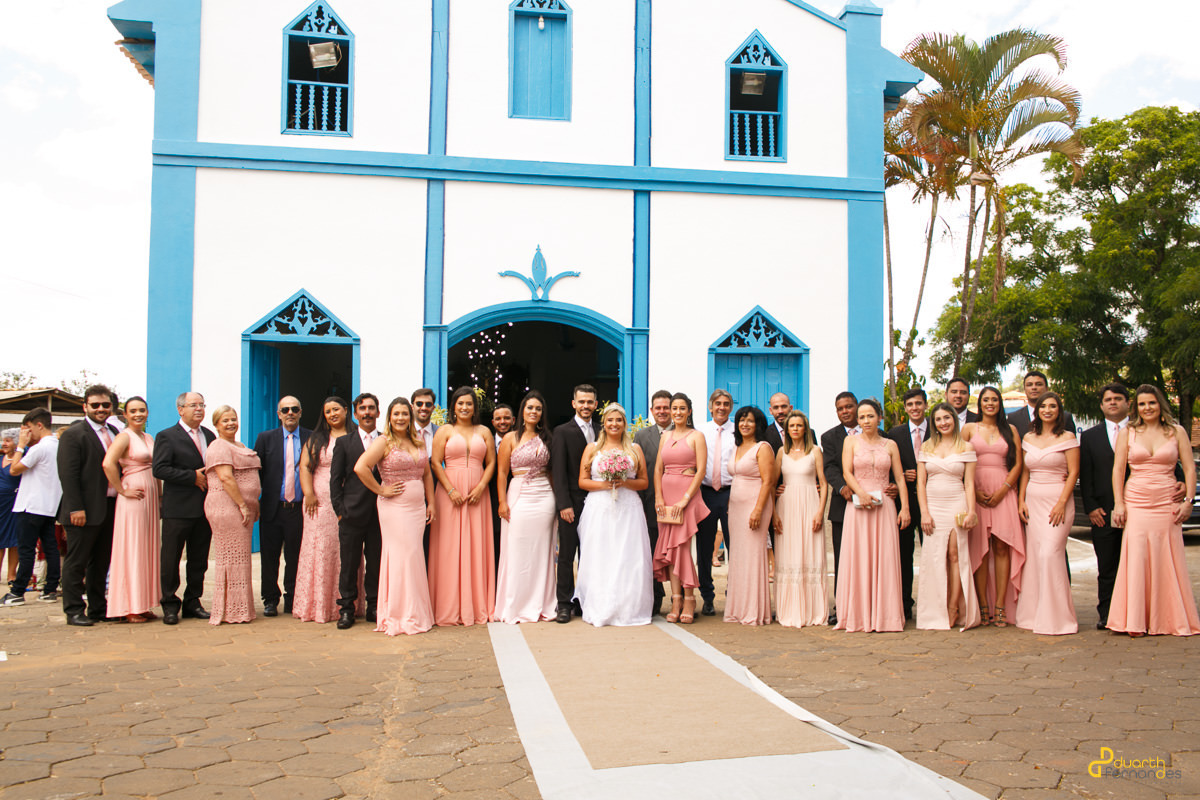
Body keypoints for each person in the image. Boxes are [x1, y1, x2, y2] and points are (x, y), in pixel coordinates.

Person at [1107, 385, 1200, 637]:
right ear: (1136, 408)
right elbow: (1118, 470)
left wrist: (1188, 501)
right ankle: (1135, 619)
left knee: (1166, 556)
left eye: (1152, 403)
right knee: (1136, 557)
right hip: (1136, 500)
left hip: (1167, 501)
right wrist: (1119, 503)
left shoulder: (1176, 431)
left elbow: (1190, 469)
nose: (1147, 408)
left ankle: (1169, 618)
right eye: (1142, 404)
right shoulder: (1128, 432)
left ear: (1161, 405)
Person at [355, 397, 435, 635]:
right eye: (396, 414)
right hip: (394, 508)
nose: (401, 418)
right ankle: (399, 614)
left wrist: (431, 503)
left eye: (405, 414)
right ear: (389, 417)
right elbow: (360, 467)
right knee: (401, 557)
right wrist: (381, 489)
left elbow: (427, 474)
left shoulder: (418, 441)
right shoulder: (383, 442)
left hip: (417, 509)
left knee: (414, 556)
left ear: (410, 417)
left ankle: (417, 612)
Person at [835, 398, 910, 633]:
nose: (866, 420)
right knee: (858, 556)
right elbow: (847, 471)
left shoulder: (890, 445)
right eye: (862, 417)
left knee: (884, 557)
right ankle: (857, 615)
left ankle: (885, 616)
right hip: (859, 506)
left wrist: (905, 508)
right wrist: (861, 493)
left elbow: (899, 478)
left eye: (870, 416)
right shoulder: (851, 442)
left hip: (885, 506)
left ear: (880, 418)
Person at [575, 403, 652, 626]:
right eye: (610, 420)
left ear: (624, 424)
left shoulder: (634, 449)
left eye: (618, 420)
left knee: (627, 556)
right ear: (604, 424)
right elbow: (583, 481)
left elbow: (644, 481)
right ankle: (600, 605)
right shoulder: (592, 449)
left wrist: (625, 481)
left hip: (628, 508)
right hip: (599, 508)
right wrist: (606, 485)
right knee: (601, 554)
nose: (614, 424)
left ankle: (628, 607)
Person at [430, 386, 496, 626]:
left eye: (469, 404)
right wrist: (450, 490)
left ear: (474, 407)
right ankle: (448, 606)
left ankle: (477, 604)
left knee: (476, 544)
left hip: (478, 494)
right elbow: (436, 463)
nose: (465, 408)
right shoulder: (445, 431)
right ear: (453, 407)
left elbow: (491, 463)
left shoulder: (485, 431)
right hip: (450, 493)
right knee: (448, 546)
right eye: (460, 404)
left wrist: (480, 487)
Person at [1015, 392, 1079, 635]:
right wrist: (1021, 500)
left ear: (1059, 411)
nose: (1048, 410)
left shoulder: (1068, 437)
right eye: (1044, 406)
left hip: (1057, 501)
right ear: (1038, 411)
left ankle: (1058, 618)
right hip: (1033, 501)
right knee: (1035, 557)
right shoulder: (1028, 437)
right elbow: (1024, 472)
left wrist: (1062, 502)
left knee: (1051, 554)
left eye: (1053, 406)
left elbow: (1073, 472)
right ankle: (1033, 615)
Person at [58, 384, 121, 625]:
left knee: (101, 561)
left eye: (105, 405)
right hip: (82, 510)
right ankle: (74, 610)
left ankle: (98, 608)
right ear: (85, 407)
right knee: (77, 561)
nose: (101, 409)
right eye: (95, 405)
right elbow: (68, 475)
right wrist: (76, 508)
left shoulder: (114, 431)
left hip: (109, 506)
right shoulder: (74, 434)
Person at [963, 386, 1025, 627]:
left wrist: (1005, 489)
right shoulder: (969, 429)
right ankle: (982, 604)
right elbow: (960, 458)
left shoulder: (1010, 430)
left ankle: (1000, 605)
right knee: (980, 548)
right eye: (986, 400)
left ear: (1000, 403)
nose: (990, 403)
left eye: (994, 400)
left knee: (1001, 547)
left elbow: (1019, 463)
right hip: (975, 489)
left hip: (1004, 489)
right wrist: (973, 492)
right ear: (980, 404)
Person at [494, 390, 557, 624]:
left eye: (538, 409)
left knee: (542, 552)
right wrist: (502, 501)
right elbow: (501, 473)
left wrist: (558, 502)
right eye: (530, 407)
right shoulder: (510, 438)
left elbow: (551, 472)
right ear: (522, 411)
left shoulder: (548, 438)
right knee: (517, 550)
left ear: (542, 414)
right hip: (518, 494)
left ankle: (540, 602)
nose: (533, 412)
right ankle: (516, 603)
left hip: (544, 496)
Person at [153, 391, 216, 625]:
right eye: (193, 405)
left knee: (199, 559)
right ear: (181, 409)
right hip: (178, 509)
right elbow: (159, 469)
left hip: (204, 508)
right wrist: (192, 477)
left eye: (202, 405)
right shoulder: (167, 436)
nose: (199, 409)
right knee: (171, 559)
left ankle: (193, 602)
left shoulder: (209, 435)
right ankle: (170, 604)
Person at [915, 403, 980, 631]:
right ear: (933, 423)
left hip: (956, 504)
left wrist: (971, 511)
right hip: (933, 506)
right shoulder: (926, 446)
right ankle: (935, 609)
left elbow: (970, 483)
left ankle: (954, 607)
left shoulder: (966, 447)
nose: (943, 422)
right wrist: (924, 512)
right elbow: (920, 483)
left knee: (955, 555)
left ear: (954, 419)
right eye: (938, 419)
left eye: (947, 418)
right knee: (934, 557)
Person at [101, 396, 161, 623]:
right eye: (133, 411)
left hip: (150, 499)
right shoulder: (123, 436)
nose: (138, 414)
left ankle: (142, 602)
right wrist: (121, 490)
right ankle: (128, 606)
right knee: (132, 549)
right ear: (124, 414)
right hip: (132, 498)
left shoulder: (147, 437)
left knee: (146, 549)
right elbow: (108, 463)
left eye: (142, 410)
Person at [293, 396, 352, 623]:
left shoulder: (353, 436)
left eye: (336, 409)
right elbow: (305, 467)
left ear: (346, 411)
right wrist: (308, 494)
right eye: (328, 411)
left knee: (343, 550)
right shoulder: (316, 438)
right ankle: (317, 606)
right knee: (320, 550)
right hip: (319, 503)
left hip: (347, 501)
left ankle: (344, 604)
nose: (332, 414)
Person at [651, 392, 708, 624]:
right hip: (666, 498)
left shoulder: (697, 436)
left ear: (689, 411)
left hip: (687, 497)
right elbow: (657, 469)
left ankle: (689, 598)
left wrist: (685, 499)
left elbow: (701, 470)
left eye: (682, 408)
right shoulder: (665, 435)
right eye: (674, 408)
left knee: (684, 549)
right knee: (671, 551)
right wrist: (658, 498)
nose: (677, 412)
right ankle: (675, 600)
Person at [1078, 383, 1131, 631]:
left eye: (1118, 398)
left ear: (1127, 403)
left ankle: (1136, 611)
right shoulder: (1090, 437)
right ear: (1101, 405)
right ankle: (1107, 613)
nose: (1113, 402)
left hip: (1139, 509)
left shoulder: (1141, 431)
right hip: (1103, 513)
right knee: (1107, 566)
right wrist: (1091, 508)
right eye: (1108, 399)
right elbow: (1085, 476)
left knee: (1136, 565)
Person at [203, 405, 261, 625]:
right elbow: (226, 478)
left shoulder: (239, 445)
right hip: (227, 507)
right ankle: (229, 609)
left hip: (241, 507)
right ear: (216, 425)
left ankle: (240, 607)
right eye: (225, 420)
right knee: (230, 558)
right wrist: (242, 505)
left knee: (241, 558)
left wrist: (253, 503)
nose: (230, 423)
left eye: (233, 419)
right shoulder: (218, 446)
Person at [253, 396, 311, 617]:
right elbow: (257, 473)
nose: (290, 413)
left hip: (298, 508)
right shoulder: (265, 439)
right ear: (279, 414)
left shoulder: (311, 438)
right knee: (269, 557)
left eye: (294, 409)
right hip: (272, 508)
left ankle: (292, 598)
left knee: (296, 556)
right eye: (285, 409)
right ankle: (270, 599)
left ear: (300, 412)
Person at [772, 410, 829, 628]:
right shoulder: (781, 452)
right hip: (786, 507)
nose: (795, 429)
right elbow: (772, 483)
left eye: (799, 425)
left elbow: (823, 483)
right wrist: (774, 512)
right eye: (791, 426)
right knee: (789, 555)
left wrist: (820, 512)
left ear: (805, 428)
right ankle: (789, 609)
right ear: (786, 430)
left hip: (810, 505)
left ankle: (813, 611)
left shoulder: (815, 451)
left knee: (810, 554)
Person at [330, 392, 382, 630]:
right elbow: (335, 480)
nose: (367, 412)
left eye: (371, 408)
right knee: (349, 564)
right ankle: (347, 610)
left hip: (380, 515)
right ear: (356, 414)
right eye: (363, 409)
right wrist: (340, 511)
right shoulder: (344, 443)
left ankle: (373, 606)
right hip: (351, 514)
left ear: (378, 413)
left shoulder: (386, 440)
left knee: (376, 563)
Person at [1, 409, 62, 609]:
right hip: (49, 505)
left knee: (27, 550)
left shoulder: (38, 448)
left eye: (28, 429)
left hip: (30, 505)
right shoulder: (58, 446)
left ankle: (17, 592)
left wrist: (20, 446)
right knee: (50, 547)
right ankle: (50, 590)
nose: (27, 434)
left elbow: (14, 469)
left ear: (39, 425)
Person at [550, 384, 600, 623]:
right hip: (572, 503)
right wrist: (563, 504)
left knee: (592, 553)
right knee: (567, 554)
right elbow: (557, 471)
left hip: (599, 503)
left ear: (596, 404)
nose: (586, 406)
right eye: (581, 402)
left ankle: (585, 600)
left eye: (590, 402)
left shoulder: (602, 431)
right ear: (574, 404)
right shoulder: (562, 431)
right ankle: (564, 603)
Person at [724, 406, 776, 626]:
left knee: (754, 556)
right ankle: (737, 609)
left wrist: (758, 509)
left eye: (750, 421)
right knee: (738, 557)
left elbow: (769, 481)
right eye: (741, 420)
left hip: (755, 505)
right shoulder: (735, 447)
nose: (745, 424)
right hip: (735, 508)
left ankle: (755, 611)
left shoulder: (762, 447)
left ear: (758, 424)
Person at [885, 387, 928, 621]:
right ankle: (904, 603)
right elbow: (888, 464)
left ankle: (932, 603)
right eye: (910, 404)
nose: (915, 408)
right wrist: (897, 479)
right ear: (905, 408)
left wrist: (924, 474)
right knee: (903, 554)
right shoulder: (896, 433)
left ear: (925, 405)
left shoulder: (937, 428)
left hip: (933, 500)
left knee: (931, 552)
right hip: (904, 502)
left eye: (918, 403)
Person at [820, 391, 860, 626]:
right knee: (842, 557)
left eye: (849, 406)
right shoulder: (829, 437)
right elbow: (830, 467)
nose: (845, 411)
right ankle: (842, 605)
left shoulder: (876, 433)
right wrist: (842, 487)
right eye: (840, 408)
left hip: (872, 504)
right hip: (842, 504)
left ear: (856, 406)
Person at [696, 389, 735, 617]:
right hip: (706, 493)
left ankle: (734, 594)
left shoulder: (738, 430)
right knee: (704, 547)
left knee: (735, 547)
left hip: (732, 494)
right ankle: (707, 597)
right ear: (710, 407)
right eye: (717, 403)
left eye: (726, 403)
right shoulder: (700, 431)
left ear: (730, 407)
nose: (721, 407)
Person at [634, 389, 673, 616]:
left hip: (678, 502)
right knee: (651, 553)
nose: (662, 411)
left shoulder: (686, 434)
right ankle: (655, 598)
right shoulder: (641, 436)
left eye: (666, 407)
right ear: (651, 410)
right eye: (657, 408)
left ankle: (682, 598)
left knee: (678, 552)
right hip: (649, 504)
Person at [1008, 371, 1076, 438]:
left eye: (1038, 384)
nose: (1034, 388)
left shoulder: (1065, 417)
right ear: (1024, 389)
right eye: (1029, 385)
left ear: (1047, 388)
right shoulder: (1013, 418)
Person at [489, 403, 516, 571]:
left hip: (516, 498)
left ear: (513, 420)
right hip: (489, 500)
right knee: (494, 542)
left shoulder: (521, 441)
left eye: (506, 418)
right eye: (498, 419)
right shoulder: (485, 443)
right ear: (493, 422)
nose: (502, 422)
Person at [0, 429, 21, 588]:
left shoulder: (21, 459)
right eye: (3, 440)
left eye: (7, 440)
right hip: (0, 504)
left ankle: (11, 575)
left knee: (14, 540)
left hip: (14, 502)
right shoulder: (1, 458)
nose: (4, 444)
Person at [411, 388, 439, 458]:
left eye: (428, 404)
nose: (423, 408)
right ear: (412, 407)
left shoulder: (440, 433)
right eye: (419, 404)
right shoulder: (404, 432)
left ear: (433, 408)